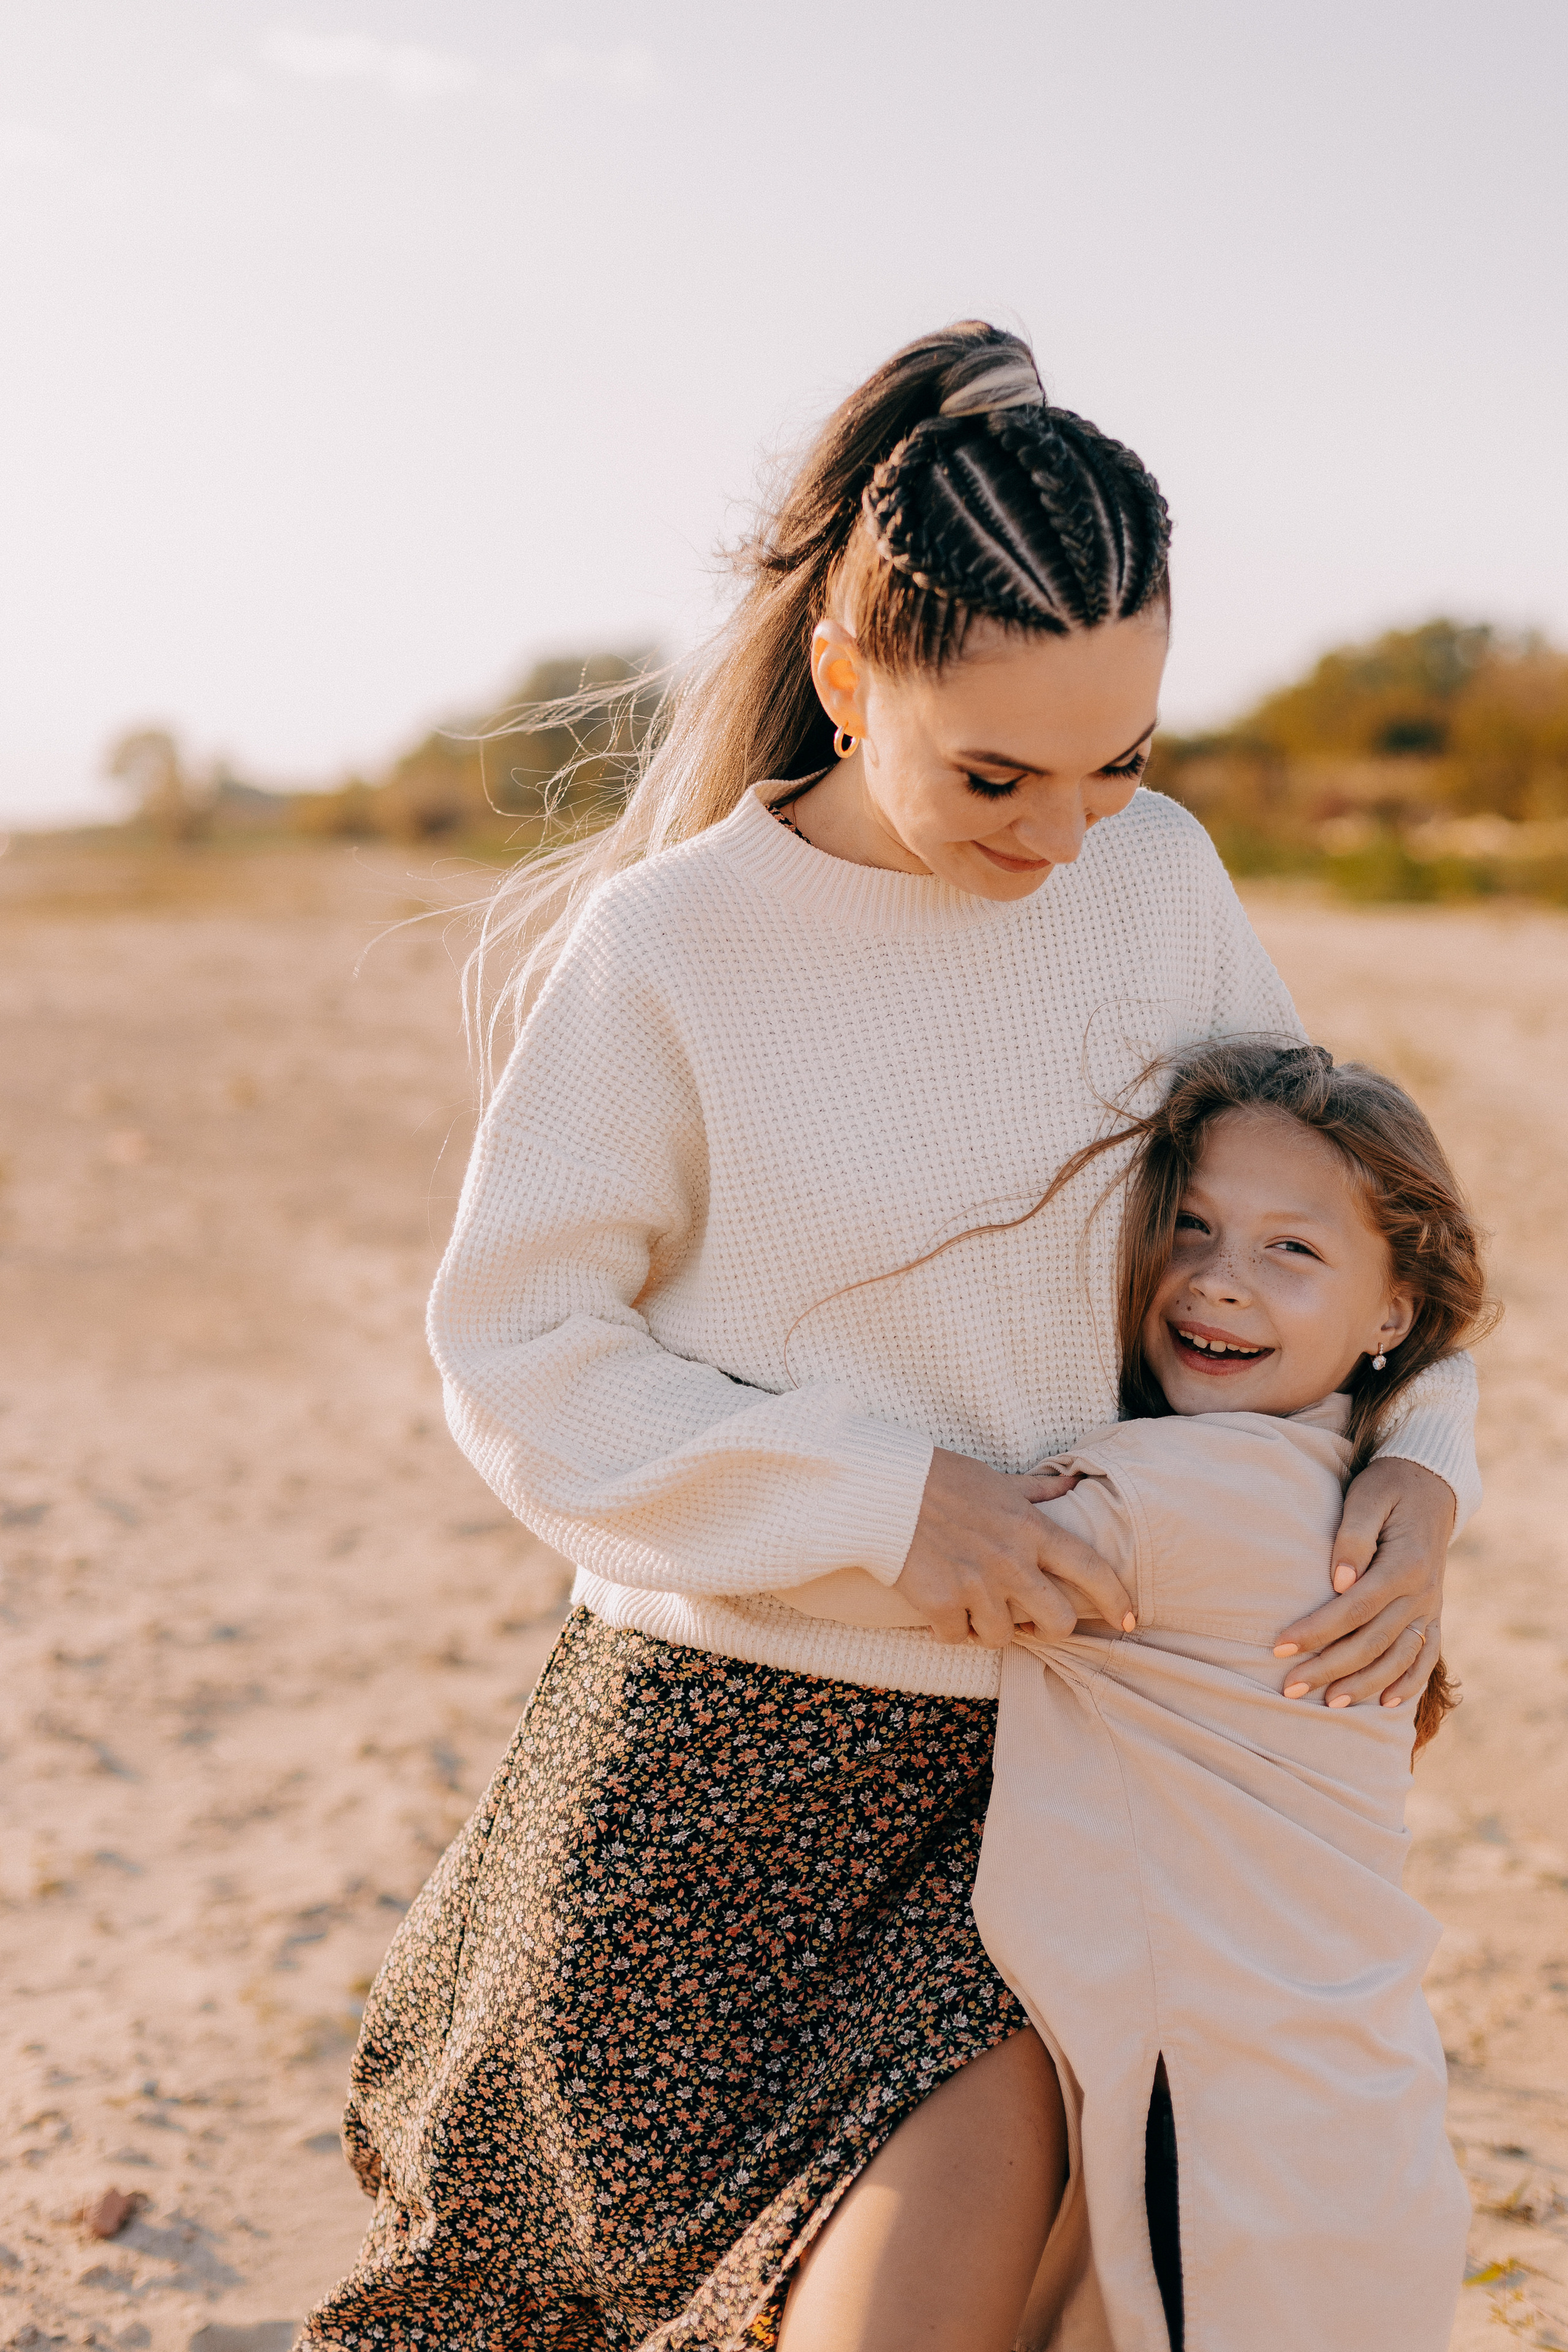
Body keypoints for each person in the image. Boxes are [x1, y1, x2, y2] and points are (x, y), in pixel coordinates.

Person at [299, 322, 1479, 2352]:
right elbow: (520, 1346)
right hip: (718, 1773)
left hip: (1075, 1767)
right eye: (996, 776)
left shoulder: (1157, 882)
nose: (1063, 836)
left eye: (1120, 763)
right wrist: (886, 1500)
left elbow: (1345, 1223)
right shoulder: (676, 943)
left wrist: (1424, 1472)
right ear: (848, 680)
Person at [965, 1039, 1490, 2350]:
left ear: (1391, 1318)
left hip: (1229, 2145)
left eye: (1289, 1250)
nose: (1216, 1279)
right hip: (1349, 2127)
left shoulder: (1178, 1498)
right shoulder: (1333, 1490)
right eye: (1189, 1227)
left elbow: (925, 1556)